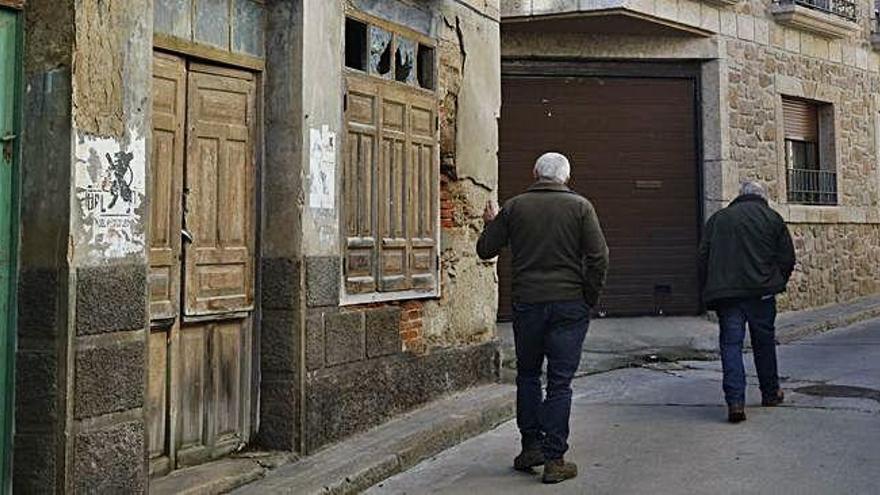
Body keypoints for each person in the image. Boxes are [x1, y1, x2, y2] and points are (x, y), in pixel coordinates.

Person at [477, 152, 609, 484]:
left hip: (528, 303)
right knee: (560, 382)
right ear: (566, 177)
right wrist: (588, 298)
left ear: (535, 172)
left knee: (528, 375)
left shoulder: (515, 207)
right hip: (569, 304)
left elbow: (485, 249)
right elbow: (599, 257)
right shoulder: (581, 207)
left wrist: (491, 223)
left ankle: (530, 447)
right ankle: (555, 459)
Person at [698, 180, 796, 423]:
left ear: (740, 196)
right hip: (761, 294)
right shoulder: (772, 218)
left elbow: (703, 256)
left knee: (731, 346)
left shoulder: (719, 219)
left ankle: (735, 402)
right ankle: (770, 393)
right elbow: (787, 258)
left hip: (728, 296)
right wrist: (776, 281)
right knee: (764, 344)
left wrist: (709, 287)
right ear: (762, 197)